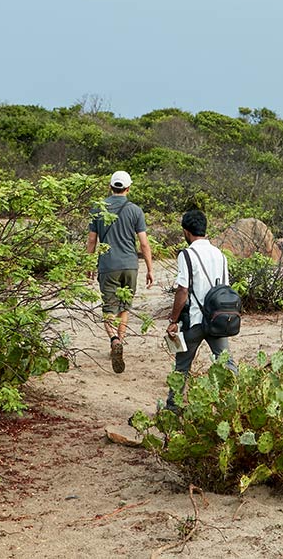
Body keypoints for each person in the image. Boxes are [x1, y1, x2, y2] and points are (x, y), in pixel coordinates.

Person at [164, 209, 237, 410]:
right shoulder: (220, 254)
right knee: (226, 364)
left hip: (195, 320)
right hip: (218, 319)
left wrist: (173, 320)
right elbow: (224, 288)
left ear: (186, 232)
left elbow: (182, 290)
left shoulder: (187, 255)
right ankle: (235, 404)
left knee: (182, 368)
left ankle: (173, 409)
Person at [87, 170, 154, 374]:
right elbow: (144, 243)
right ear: (128, 188)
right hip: (130, 265)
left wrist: (89, 265)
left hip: (108, 265)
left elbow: (92, 240)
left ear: (110, 187)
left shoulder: (98, 209)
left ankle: (114, 340)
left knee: (109, 308)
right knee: (124, 307)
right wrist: (150, 269)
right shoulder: (136, 210)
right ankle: (121, 341)